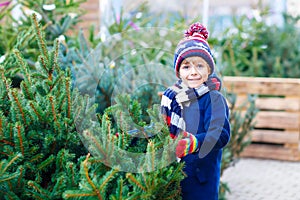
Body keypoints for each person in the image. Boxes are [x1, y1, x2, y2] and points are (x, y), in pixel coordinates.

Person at [160, 22, 231, 200]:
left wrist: (194, 142)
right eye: (186, 67)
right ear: (179, 72)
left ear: (209, 70)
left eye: (200, 66)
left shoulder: (214, 99)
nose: (193, 72)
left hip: (201, 179)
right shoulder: (174, 99)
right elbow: (161, 128)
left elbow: (220, 134)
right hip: (175, 176)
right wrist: (130, 136)